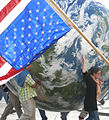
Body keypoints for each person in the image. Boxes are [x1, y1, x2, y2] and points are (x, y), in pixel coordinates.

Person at [81, 55, 103, 120]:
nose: (99, 75)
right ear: (94, 73)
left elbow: (94, 89)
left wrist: (99, 85)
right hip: (90, 102)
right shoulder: (90, 78)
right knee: (96, 118)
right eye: (98, 73)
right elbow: (84, 72)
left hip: (93, 102)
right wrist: (84, 62)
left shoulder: (96, 81)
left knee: (91, 117)